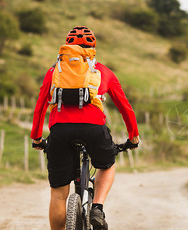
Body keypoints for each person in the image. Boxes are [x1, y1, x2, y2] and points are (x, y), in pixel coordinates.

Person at [31, 26, 140, 230]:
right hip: (94, 129)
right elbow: (125, 108)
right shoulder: (103, 71)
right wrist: (133, 137)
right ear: (92, 48)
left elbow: (40, 107)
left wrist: (37, 138)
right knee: (106, 165)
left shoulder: (54, 71)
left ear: (66, 47)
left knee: (58, 194)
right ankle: (97, 207)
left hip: (60, 131)